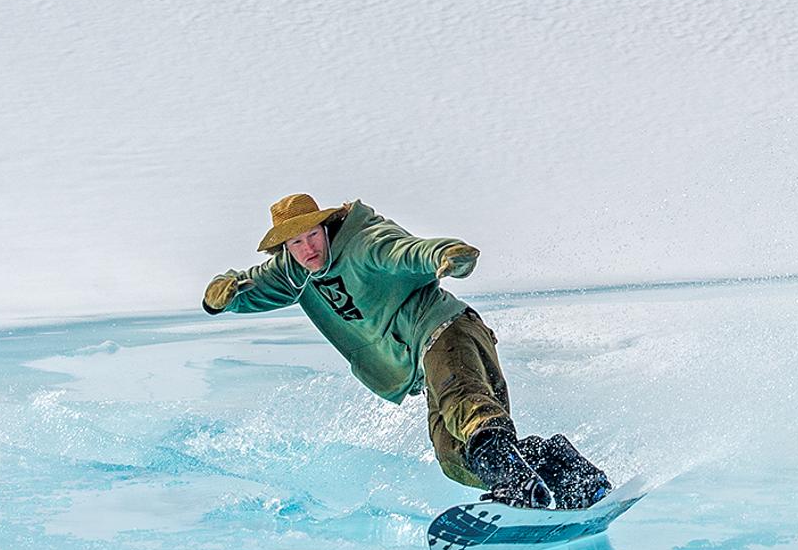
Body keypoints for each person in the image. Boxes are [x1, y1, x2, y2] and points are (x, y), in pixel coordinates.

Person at [202, 194, 610, 510]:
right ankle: (563, 469)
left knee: (465, 407)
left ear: (326, 229)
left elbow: (406, 251)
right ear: (286, 248)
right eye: (296, 242)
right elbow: (250, 286)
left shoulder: (363, 243)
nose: (308, 249)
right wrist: (225, 294)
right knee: (452, 456)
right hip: (422, 360)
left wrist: (445, 255)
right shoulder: (295, 271)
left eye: (312, 236)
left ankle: (519, 487)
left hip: (445, 331)